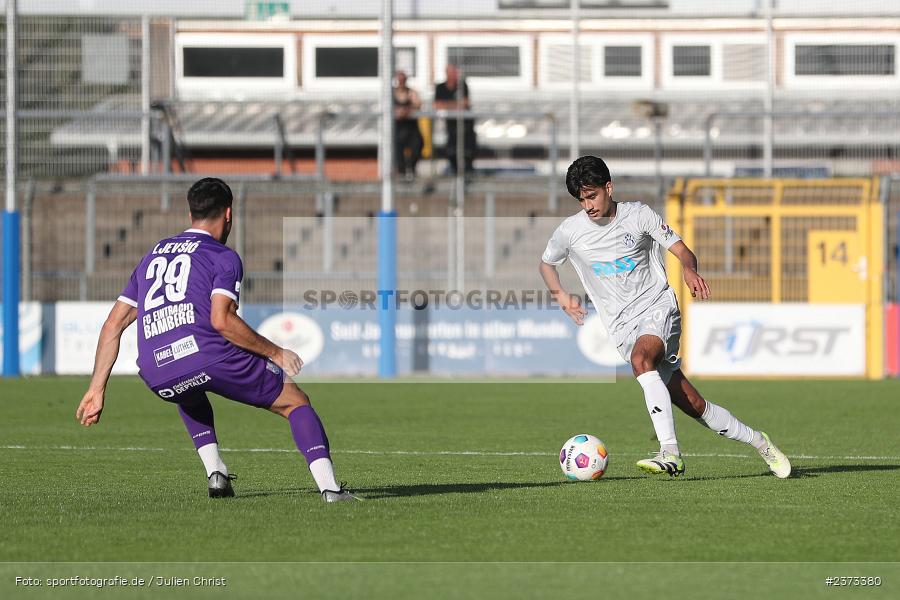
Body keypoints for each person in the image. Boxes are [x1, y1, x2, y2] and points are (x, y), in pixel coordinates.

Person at [75, 178, 359, 502]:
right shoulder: (223, 257)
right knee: (296, 402)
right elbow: (221, 320)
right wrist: (276, 352)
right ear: (228, 214)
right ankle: (331, 489)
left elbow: (113, 324)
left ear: (191, 212)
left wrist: (96, 390)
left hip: (157, 370)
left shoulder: (153, 255)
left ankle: (216, 474)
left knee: (188, 389)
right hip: (208, 354)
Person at [539, 156, 791, 478]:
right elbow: (546, 264)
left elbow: (684, 251)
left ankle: (670, 452)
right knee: (696, 406)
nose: (588, 205)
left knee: (641, 359)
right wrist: (561, 295)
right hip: (622, 326)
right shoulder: (570, 232)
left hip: (657, 307)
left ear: (608, 187)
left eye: (592, 196)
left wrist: (688, 269)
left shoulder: (638, 215)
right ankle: (761, 443)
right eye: (581, 199)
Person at [433, 64, 476, 175]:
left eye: (455, 72)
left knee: (468, 147)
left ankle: (468, 170)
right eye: (452, 72)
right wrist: (456, 105)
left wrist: (447, 105)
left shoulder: (462, 85)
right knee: (451, 148)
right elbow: (437, 105)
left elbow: (466, 103)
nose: (455, 75)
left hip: (465, 124)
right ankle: (455, 170)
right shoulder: (440, 87)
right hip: (450, 124)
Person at [393, 70, 423, 179]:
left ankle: (411, 168)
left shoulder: (411, 92)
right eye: (399, 80)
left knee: (417, 147)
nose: (401, 82)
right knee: (398, 155)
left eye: (403, 80)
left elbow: (418, 104)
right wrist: (397, 112)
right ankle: (401, 174)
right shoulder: (392, 94)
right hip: (398, 130)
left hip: (411, 129)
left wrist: (407, 110)